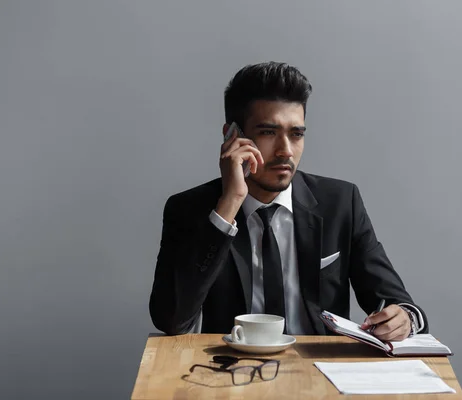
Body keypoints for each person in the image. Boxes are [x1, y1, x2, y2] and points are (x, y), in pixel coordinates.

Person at [149, 62, 428, 341]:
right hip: (230, 372)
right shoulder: (189, 210)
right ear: (232, 136)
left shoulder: (341, 203)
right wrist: (230, 202)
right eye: (268, 132)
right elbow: (172, 320)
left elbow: (397, 302)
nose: (286, 151)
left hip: (320, 373)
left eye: (296, 134)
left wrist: (404, 319)